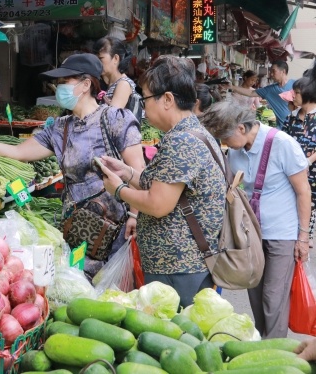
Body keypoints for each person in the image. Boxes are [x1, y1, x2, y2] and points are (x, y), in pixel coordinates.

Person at [0, 54, 144, 278]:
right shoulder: (60, 128)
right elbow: (19, 152)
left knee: (113, 294)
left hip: (116, 228)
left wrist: (135, 215)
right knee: (80, 290)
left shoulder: (115, 119)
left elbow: (138, 172)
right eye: (58, 83)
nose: (58, 88)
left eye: (65, 82)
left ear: (86, 85)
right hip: (78, 230)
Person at [99, 56, 227, 308]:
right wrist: (127, 172)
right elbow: (165, 187)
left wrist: (119, 190)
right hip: (184, 265)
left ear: (167, 99)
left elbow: (158, 204)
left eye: (145, 98)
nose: (143, 109)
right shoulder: (191, 133)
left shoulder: (182, 142)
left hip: (179, 268)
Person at [200, 101, 311, 338]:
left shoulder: (282, 144)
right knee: (255, 292)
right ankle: (263, 343)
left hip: (281, 232)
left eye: (224, 136)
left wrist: (303, 236)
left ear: (241, 128)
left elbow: (304, 191)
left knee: (274, 296)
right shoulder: (235, 151)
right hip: (250, 233)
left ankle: (276, 352)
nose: (224, 143)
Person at [283, 77, 316, 243]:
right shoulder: (292, 117)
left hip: (312, 171)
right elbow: (283, 141)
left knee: (310, 201)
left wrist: (308, 162)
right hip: (293, 169)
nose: (293, 96)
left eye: (296, 93)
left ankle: (305, 235)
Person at [229, 61, 294, 128]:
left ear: (283, 71)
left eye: (273, 71)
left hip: (295, 125)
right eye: (270, 71)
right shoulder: (270, 89)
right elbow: (251, 93)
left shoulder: (295, 85)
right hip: (279, 128)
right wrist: (231, 87)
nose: (271, 74)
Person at [93, 36, 142, 122]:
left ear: (116, 58)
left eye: (100, 59)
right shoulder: (110, 83)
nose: (97, 63)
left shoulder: (123, 84)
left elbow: (111, 119)